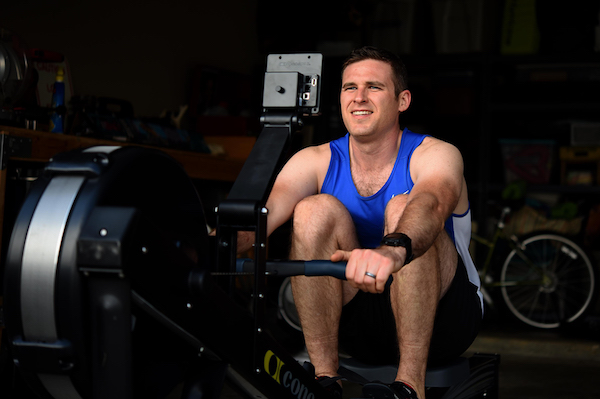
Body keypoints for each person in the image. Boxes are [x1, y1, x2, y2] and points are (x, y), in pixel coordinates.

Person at [238, 46, 483, 399]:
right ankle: (324, 380)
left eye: (374, 87)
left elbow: (431, 202)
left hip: (444, 320)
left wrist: (393, 251)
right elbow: (261, 217)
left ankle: (410, 386)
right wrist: (204, 248)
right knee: (311, 210)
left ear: (403, 100)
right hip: (353, 322)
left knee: (404, 206)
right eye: (349, 87)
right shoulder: (315, 159)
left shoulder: (436, 154)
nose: (359, 97)